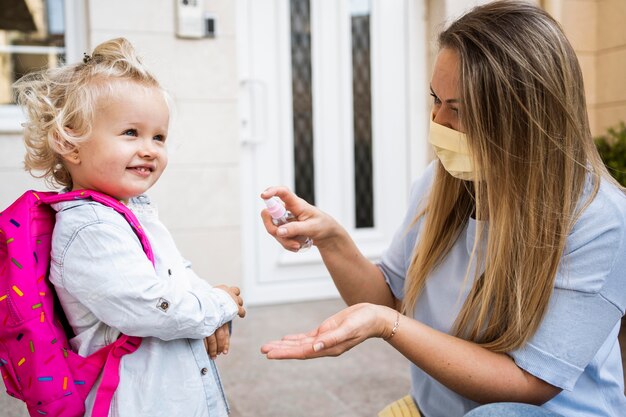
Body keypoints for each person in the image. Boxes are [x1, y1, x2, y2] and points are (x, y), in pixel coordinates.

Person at [259, 1, 626, 416]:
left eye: (459, 109)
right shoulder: (438, 186)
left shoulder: (600, 222)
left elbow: (528, 384)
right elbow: (390, 298)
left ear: (525, 116)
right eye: (436, 100)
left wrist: (389, 326)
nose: (438, 120)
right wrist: (332, 239)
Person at [14, 37, 246, 417]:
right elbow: (152, 307)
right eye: (130, 133)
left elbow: (177, 273)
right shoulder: (90, 230)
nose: (150, 148)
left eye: (159, 137)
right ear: (69, 143)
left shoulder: (130, 211)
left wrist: (207, 300)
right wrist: (218, 304)